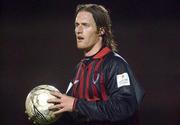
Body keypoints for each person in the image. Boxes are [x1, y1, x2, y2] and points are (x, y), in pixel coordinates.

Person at [48, 4, 145, 125]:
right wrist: (45, 114)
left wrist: (76, 104)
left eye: (85, 25)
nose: (78, 30)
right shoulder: (79, 68)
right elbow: (71, 112)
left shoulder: (115, 65)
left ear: (101, 30)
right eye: (76, 25)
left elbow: (124, 107)